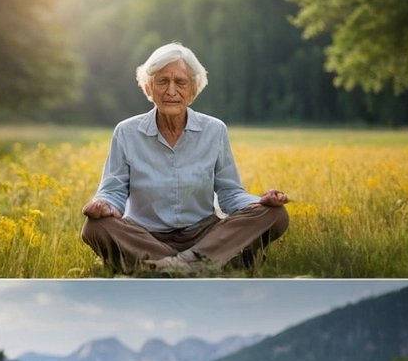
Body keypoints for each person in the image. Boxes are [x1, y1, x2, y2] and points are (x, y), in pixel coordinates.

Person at [81, 42, 290, 275]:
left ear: (193, 90)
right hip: (145, 236)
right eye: (162, 81)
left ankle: (166, 266)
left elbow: (229, 193)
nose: (171, 91)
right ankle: (201, 265)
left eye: (180, 82)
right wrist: (103, 205)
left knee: (275, 214)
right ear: (149, 88)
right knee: (94, 227)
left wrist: (257, 203)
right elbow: (113, 191)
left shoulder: (214, 130)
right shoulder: (126, 132)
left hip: (204, 235)